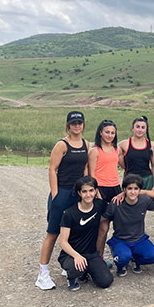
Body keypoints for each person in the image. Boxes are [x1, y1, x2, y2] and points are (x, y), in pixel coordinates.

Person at [36, 110, 90, 290]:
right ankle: (42, 274)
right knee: (53, 233)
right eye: (73, 123)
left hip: (78, 194)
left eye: (79, 123)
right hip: (63, 192)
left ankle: (68, 265)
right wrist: (55, 194)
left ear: (83, 125)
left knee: (73, 232)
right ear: (68, 125)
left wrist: (87, 189)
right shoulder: (62, 145)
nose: (77, 126)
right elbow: (52, 169)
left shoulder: (86, 144)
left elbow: (85, 168)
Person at [100, 174, 154, 276]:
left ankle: (136, 260)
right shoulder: (116, 203)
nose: (133, 192)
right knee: (123, 257)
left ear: (140, 190)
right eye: (129, 188)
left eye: (136, 189)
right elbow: (103, 218)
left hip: (139, 240)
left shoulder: (145, 200)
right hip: (120, 240)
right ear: (124, 190)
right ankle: (121, 265)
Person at [58, 176, 113, 291]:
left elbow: (115, 206)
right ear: (79, 193)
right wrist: (76, 256)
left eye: (91, 190)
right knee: (76, 268)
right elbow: (62, 242)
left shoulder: (100, 205)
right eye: (84, 191)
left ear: (96, 191)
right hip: (71, 255)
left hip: (91, 254)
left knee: (106, 281)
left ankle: (87, 270)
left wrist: (122, 195)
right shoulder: (69, 213)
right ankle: (72, 277)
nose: (88, 195)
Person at [118, 116, 154, 191]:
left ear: (146, 130)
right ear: (132, 128)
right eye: (137, 127)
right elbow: (111, 149)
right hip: (130, 180)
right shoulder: (124, 144)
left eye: (143, 127)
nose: (140, 130)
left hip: (147, 180)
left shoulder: (151, 145)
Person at [89, 119, 121, 202]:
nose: (110, 135)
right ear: (100, 133)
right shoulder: (95, 151)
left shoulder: (117, 149)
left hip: (116, 186)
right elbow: (91, 174)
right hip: (101, 187)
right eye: (107, 132)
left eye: (112, 133)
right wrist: (96, 191)